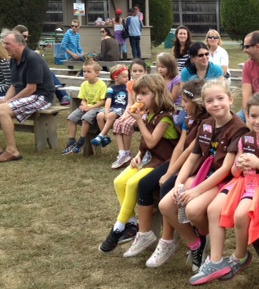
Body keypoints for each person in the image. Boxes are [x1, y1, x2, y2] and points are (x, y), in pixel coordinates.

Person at [190, 92, 259, 285]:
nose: (257, 121)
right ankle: (215, 261)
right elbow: (234, 172)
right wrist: (239, 164)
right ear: (246, 115)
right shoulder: (245, 139)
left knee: (241, 214)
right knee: (213, 208)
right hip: (242, 182)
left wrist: (258, 163)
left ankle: (240, 256)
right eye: (252, 116)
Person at [158, 78, 248, 272]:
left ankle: (205, 234)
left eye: (220, 98)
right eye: (209, 101)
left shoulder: (239, 128)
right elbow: (192, 157)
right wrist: (178, 184)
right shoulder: (206, 124)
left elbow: (225, 170)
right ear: (204, 104)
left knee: (192, 209)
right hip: (204, 175)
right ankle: (196, 244)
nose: (215, 104)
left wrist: (195, 191)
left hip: (223, 181)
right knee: (166, 205)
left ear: (231, 99)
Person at [126, 79, 209, 267]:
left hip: (196, 164)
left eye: (186, 102)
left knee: (167, 187)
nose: (182, 104)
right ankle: (145, 234)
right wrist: (170, 170)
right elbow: (180, 146)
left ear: (197, 102)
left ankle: (168, 240)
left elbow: (191, 152)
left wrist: (170, 174)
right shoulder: (188, 119)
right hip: (179, 162)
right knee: (145, 184)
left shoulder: (205, 122)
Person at [99, 74, 179, 253]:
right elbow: (146, 145)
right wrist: (138, 154)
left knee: (134, 183)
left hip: (163, 161)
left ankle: (119, 227)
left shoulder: (164, 118)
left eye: (144, 94)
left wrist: (138, 121)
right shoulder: (148, 114)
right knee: (119, 181)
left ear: (157, 94)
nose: (139, 98)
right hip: (148, 158)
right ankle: (133, 223)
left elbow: (151, 141)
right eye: (137, 94)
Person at [0, 30, 55, 162]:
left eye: (8, 43)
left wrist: (9, 102)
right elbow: (14, 85)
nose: (4, 46)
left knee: (2, 109)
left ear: (20, 44)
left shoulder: (32, 59)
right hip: (26, 94)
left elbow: (31, 88)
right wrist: (6, 99)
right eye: (4, 43)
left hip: (41, 95)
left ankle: (12, 151)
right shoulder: (13, 60)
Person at [13, 25, 70, 106]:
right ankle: (63, 95)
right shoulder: (11, 50)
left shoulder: (21, 47)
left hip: (28, 76)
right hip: (21, 79)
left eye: (27, 36)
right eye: (24, 36)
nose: (26, 39)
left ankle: (63, 95)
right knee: (46, 70)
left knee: (45, 69)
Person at [62, 60, 107, 155]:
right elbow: (83, 99)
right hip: (87, 107)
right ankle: (71, 141)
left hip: (97, 108)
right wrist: (84, 105)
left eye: (89, 72)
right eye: (84, 71)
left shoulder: (102, 85)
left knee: (85, 119)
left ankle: (81, 141)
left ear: (97, 73)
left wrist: (90, 108)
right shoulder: (84, 84)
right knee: (71, 118)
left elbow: (103, 101)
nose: (85, 74)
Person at [111, 59, 147, 169]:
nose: (137, 73)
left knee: (127, 124)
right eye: (135, 71)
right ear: (131, 72)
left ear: (145, 72)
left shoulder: (147, 84)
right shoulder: (130, 84)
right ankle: (122, 153)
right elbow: (130, 103)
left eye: (140, 71)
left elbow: (146, 105)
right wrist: (125, 115)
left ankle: (127, 152)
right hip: (133, 111)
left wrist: (135, 114)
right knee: (118, 122)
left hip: (143, 113)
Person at [92, 65, 129, 148]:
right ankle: (105, 137)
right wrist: (106, 112)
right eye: (124, 76)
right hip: (114, 108)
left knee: (111, 115)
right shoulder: (111, 89)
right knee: (99, 115)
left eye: (128, 76)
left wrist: (108, 114)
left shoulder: (128, 87)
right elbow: (108, 101)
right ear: (116, 78)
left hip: (123, 109)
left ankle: (101, 135)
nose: (127, 78)